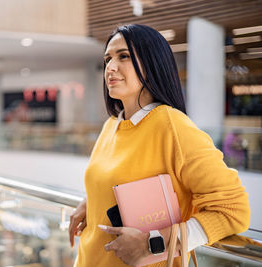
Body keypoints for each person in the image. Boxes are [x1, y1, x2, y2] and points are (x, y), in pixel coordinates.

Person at [68, 24, 250, 267]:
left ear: (153, 62)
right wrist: (92, 201)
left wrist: (152, 244)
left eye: (124, 56)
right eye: (107, 59)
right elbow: (122, 179)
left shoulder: (172, 126)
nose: (110, 67)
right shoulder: (112, 125)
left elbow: (233, 209)